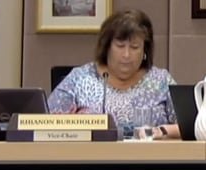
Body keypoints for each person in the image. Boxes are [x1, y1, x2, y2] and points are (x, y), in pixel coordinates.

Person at [48, 9, 181, 139]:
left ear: (145, 51)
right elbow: (43, 122)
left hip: (149, 158)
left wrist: (159, 131)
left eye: (135, 47)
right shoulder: (80, 79)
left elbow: (191, 126)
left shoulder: (161, 81)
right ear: (107, 47)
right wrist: (70, 125)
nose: (126, 55)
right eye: (120, 46)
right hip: (91, 158)